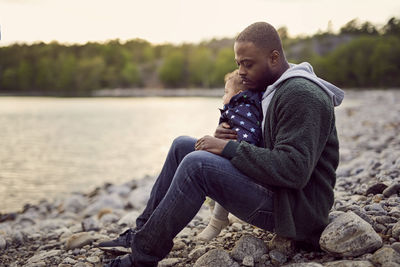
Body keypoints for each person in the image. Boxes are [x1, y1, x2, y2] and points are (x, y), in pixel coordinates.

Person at [101, 21, 344, 267]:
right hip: (279, 193)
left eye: (248, 64)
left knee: (198, 165)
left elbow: (294, 170)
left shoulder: (301, 95)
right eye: (238, 64)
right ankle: (140, 233)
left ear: (273, 58)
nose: (240, 72)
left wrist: (226, 149)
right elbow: (265, 145)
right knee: (183, 146)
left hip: (296, 211)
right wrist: (228, 137)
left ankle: (142, 258)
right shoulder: (272, 89)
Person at [197, 69, 264, 242]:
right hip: (242, 155)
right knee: (187, 148)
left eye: (226, 92)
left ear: (239, 94)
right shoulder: (241, 107)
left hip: (246, 161)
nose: (223, 97)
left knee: (204, 164)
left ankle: (217, 221)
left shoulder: (244, 109)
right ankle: (218, 210)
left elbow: (247, 139)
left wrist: (226, 148)